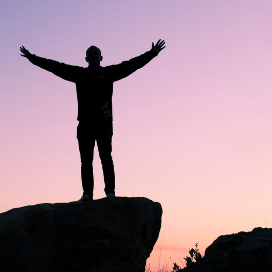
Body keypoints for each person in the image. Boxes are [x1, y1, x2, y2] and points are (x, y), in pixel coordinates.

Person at [20, 40, 166, 202]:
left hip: (103, 123)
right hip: (85, 124)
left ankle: (110, 193)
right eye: (90, 54)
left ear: (101, 57)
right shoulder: (79, 74)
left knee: (106, 158)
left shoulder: (109, 73)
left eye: (95, 53)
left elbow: (131, 65)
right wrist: (32, 58)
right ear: (86, 59)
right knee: (86, 161)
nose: (93, 55)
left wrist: (152, 54)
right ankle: (87, 194)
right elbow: (55, 67)